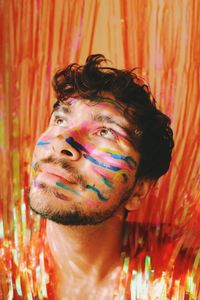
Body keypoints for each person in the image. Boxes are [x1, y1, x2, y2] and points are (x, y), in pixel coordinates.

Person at [29, 54, 174, 299]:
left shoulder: (177, 277)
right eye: (61, 119)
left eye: (105, 132)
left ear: (138, 190)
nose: (61, 142)